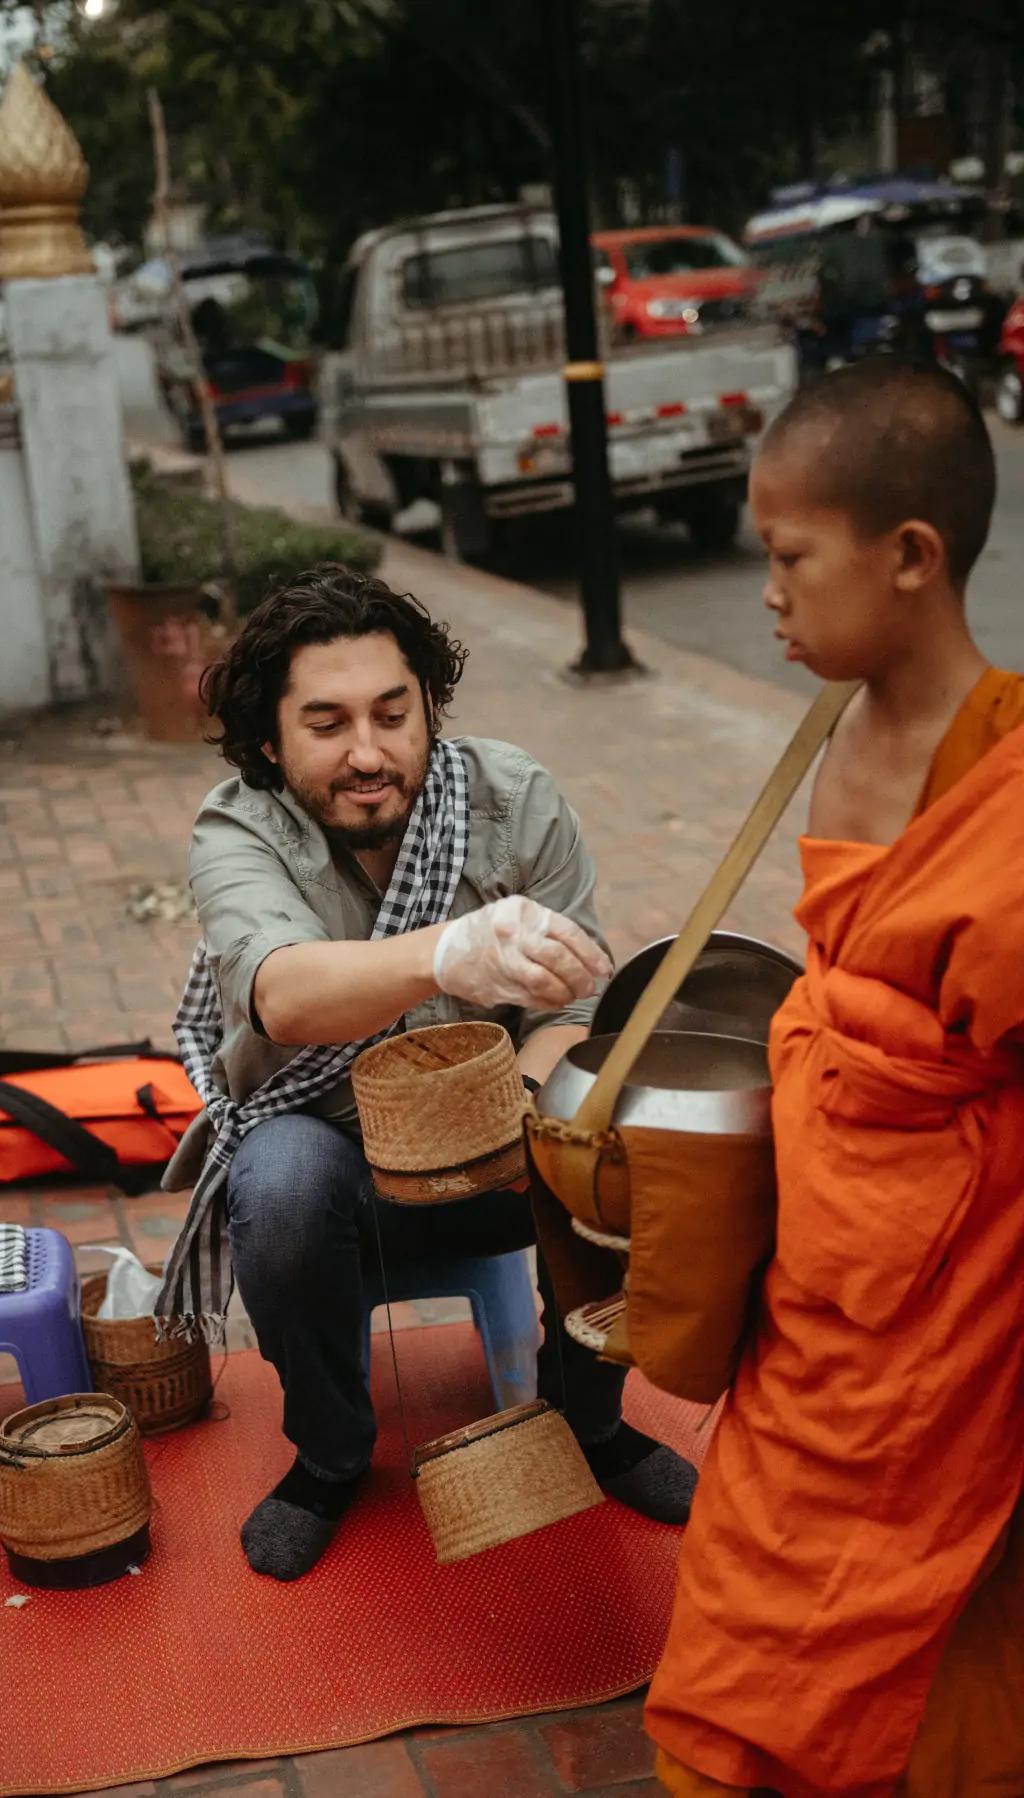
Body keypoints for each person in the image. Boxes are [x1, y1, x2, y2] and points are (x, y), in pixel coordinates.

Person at [156, 565, 699, 1581]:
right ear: (271, 740)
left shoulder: (513, 797)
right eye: (327, 723)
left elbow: (576, 1010)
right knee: (274, 1185)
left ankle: (588, 1419)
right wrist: (449, 953)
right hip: (336, 1171)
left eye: (393, 714)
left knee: (618, 1126)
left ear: (428, 712)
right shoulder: (239, 828)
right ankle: (330, 1454)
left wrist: (528, 1110)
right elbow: (280, 991)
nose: (369, 752)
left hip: (502, 1147)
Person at [646, 359, 1024, 1797]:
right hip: (826, 1265)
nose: (770, 593)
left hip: (958, 1277)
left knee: (933, 1587)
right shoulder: (835, 732)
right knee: (761, 1535)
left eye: (792, 555)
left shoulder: (1011, 771)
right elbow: (843, 986)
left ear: (911, 557)